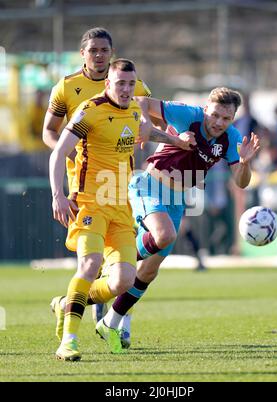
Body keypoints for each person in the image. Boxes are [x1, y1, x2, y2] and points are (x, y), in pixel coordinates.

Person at [49, 59, 195, 361]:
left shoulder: (131, 111)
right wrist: (58, 195)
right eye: (121, 83)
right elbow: (60, 151)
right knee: (89, 267)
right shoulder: (90, 110)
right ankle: (69, 341)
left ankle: (67, 304)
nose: (127, 89)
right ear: (108, 84)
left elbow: (146, 132)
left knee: (123, 281)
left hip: (122, 207)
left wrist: (176, 141)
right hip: (90, 203)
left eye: (131, 83)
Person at [95, 87, 260, 347]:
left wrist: (245, 162)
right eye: (215, 114)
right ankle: (111, 267)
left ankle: (112, 322)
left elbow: (241, 182)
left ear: (233, 118)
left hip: (178, 199)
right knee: (164, 235)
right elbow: (140, 101)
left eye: (226, 118)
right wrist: (147, 126)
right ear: (206, 108)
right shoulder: (188, 115)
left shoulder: (232, 138)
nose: (219, 122)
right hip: (149, 184)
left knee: (149, 271)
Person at [43, 27, 151, 341]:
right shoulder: (67, 87)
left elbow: (144, 122)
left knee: (120, 275)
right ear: (83, 54)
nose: (100, 55)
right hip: (85, 185)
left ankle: (81, 305)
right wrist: (71, 151)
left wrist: (173, 138)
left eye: (105, 50)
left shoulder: (131, 86)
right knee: (90, 263)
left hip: (119, 190)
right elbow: (51, 132)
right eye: (94, 50)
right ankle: (76, 337)